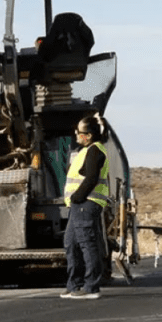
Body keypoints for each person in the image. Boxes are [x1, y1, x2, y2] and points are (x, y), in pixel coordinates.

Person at [61, 115, 110, 300]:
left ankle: (91, 287)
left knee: (87, 244)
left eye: (79, 132)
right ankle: (74, 285)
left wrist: (77, 197)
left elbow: (91, 178)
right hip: (78, 205)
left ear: (88, 135)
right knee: (71, 243)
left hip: (86, 204)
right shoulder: (85, 150)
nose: (76, 135)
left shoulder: (95, 151)